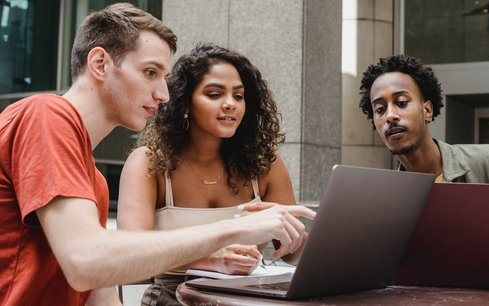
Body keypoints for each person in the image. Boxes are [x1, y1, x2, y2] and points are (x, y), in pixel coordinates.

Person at [0, 4, 315, 306]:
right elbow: (85, 261)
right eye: (150, 72)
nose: (164, 94)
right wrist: (234, 230)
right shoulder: (46, 114)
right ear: (99, 64)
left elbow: (103, 296)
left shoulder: (93, 182)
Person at [117, 42, 301, 304]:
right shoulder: (149, 163)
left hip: (248, 298)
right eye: (215, 94)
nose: (230, 104)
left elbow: (293, 255)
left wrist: (297, 239)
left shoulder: (264, 164)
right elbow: (129, 254)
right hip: (173, 297)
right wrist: (208, 260)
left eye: (238, 96)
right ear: (185, 103)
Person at [357, 54, 489, 280]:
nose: (390, 115)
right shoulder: (386, 204)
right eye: (380, 109)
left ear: (427, 110)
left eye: (401, 103)